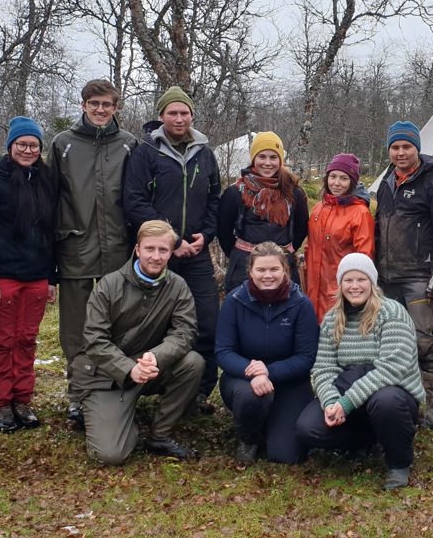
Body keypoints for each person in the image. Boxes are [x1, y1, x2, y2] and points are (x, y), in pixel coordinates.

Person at [123, 86, 222, 413]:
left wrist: (206, 235)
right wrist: (171, 241)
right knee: (154, 323)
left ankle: (199, 392)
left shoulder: (205, 153)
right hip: (157, 255)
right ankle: (146, 386)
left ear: (192, 115)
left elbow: (214, 200)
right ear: (161, 115)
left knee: (206, 321)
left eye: (184, 113)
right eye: (172, 113)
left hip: (196, 254)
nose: (179, 118)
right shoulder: (146, 152)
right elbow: (134, 201)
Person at [73, 220, 205, 465]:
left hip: (149, 367)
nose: (156, 256)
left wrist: (157, 356)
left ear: (171, 252)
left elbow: (185, 331)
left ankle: (160, 435)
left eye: (163, 250)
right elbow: (94, 339)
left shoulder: (178, 286)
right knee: (111, 455)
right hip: (106, 376)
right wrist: (129, 369)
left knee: (193, 362)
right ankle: (104, 413)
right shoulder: (109, 285)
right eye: (149, 249)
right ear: (137, 249)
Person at [46, 78, 138, 430]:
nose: (100, 110)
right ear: (83, 105)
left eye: (107, 104)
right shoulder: (63, 144)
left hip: (119, 250)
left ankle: (115, 389)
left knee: (118, 324)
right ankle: (79, 395)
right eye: (94, 104)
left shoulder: (128, 143)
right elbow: (50, 199)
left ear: (116, 107)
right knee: (77, 330)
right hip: (75, 249)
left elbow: (136, 197)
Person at [295, 253, 425, 491]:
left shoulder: (392, 313)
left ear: (372, 282)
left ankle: (399, 462)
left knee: (386, 402)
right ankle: (364, 440)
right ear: (340, 284)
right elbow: (323, 368)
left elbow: (391, 369)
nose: (354, 286)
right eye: (348, 280)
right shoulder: (332, 319)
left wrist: (346, 403)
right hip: (349, 391)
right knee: (308, 428)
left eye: (361, 279)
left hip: (392, 391)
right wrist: (331, 402)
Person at [0, 116, 57, 433]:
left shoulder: (46, 183)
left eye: (34, 145)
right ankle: (0, 402)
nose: (28, 150)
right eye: (22, 144)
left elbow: (51, 235)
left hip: (37, 277)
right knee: (2, 341)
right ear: (10, 146)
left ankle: (22, 399)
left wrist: (51, 278)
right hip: (4, 278)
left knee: (27, 340)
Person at [373, 120, 433, 430]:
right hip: (387, 277)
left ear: (417, 148)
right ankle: (403, 399)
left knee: (423, 342)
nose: (400, 153)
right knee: (391, 343)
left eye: (406, 147)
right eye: (395, 147)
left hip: (420, 278)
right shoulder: (387, 181)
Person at [215, 242, 318, 464]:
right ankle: (249, 438)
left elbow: (306, 357)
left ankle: (273, 423)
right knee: (251, 395)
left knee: (286, 455)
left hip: (290, 382)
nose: (268, 275)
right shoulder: (234, 301)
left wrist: (268, 371)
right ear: (250, 271)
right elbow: (223, 351)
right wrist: (253, 372)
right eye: (261, 269)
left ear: (285, 270)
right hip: (244, 379)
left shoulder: (301, 305)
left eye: (274, 269)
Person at [217, 131, 309, 293]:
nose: (267, 163)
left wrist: (285, 251)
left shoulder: (294, 193)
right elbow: (223, 230)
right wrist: (241, 254)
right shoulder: (235, 192)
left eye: (273, 157)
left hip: (283, 265)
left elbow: (301, 229)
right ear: (254, 158)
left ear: (280, 160)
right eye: (262, 157)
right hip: (244, 268)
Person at [304, 153, 375, 322]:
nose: (336, 183)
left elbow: (364, 256)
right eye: (333, 176)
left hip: (339, 290)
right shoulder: (319, 208)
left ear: (352, 182)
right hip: (313, 287)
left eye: (344, 178)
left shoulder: (360, 213)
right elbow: (310, 246)